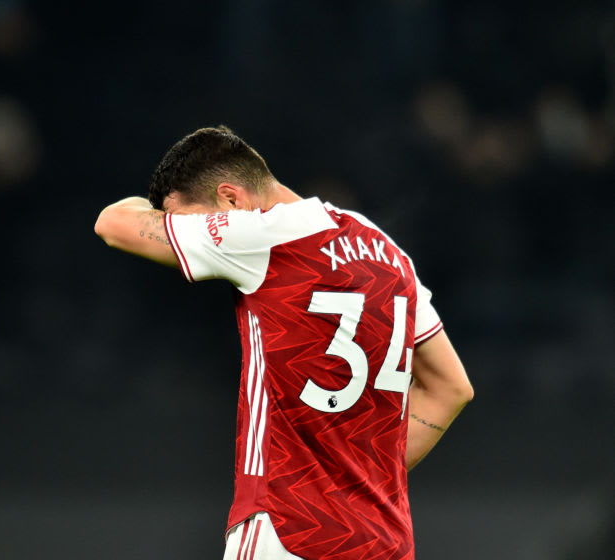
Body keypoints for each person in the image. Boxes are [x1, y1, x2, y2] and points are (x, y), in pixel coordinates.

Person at [94, 126, 473, 560]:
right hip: (381, 541)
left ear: (231, 200)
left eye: (182, 221)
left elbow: (112, 224)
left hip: (287, 531)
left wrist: (149, 208)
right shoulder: (385, 250)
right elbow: (451, 388)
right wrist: (358, 476)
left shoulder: (263, 235)